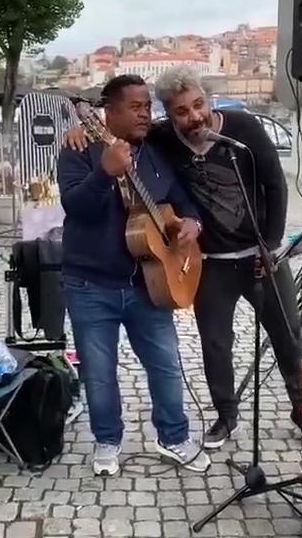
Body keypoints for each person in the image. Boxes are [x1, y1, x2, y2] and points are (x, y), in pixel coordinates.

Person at [64, 67, 302, 451]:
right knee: (214, 344)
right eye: (181, 111)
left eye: (199, 105)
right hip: (206, 262)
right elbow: (99, 161)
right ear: (170, 115)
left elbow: (274, 183)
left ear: (207, 99)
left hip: (262, 254)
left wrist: (268, 243)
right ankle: (225, 417)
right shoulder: (158, 139)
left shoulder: (240, 130)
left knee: (289, 337)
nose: (194, 117)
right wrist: (87, 141)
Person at [58, 74, 210, 475]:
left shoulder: (154, 154)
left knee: (165, 364)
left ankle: (174, 436)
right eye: (136, 106)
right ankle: (107, 441)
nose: (145, 113)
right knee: (99, 372)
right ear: (108, 111)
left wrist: (191, 222)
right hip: (90, 285)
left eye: (147, 106)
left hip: (149, 284)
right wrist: (103, 173)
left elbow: (182, 201)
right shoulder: (79, 148)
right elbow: (76, 207)